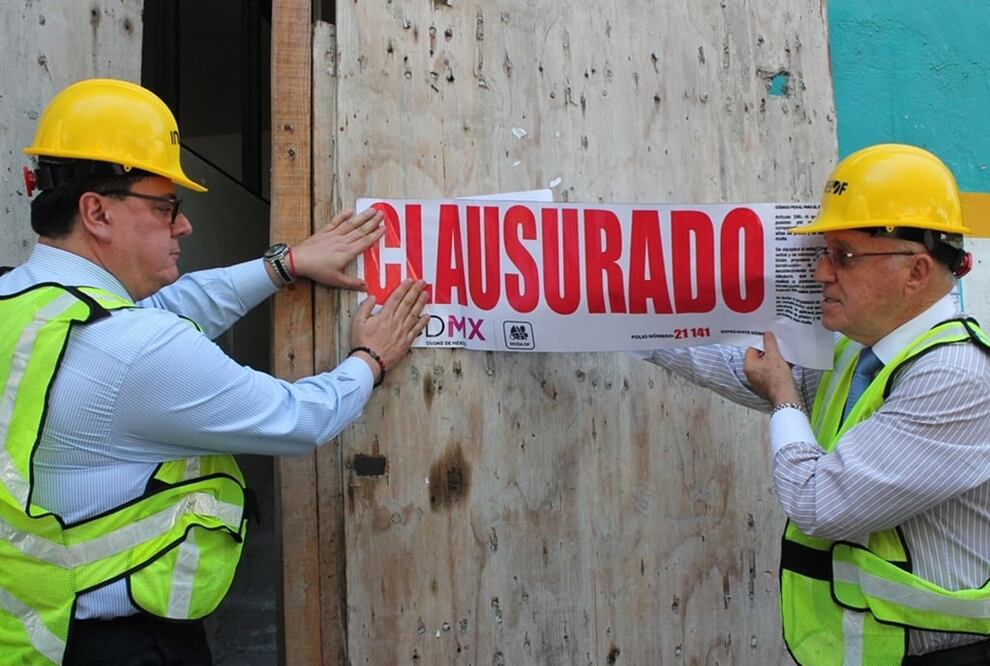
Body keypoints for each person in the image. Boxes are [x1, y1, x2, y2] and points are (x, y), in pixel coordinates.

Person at [0, 78, 428, 665]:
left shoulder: (22, 303)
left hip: (37, 633)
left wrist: (286, 264)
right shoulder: (136, 351)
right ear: (96, 211)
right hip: (124, 647)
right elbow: (297, 418)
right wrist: (370, 360)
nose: (183, 226)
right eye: (165, 207)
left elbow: (168, 307)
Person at [646, 144, 990, 665]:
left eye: (843, 256)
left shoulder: (954, 377)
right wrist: (620, 327)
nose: (821, 272)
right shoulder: (858, 350)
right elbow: (750, 369)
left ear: (916, 272)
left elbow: (819, 504)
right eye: (823, 253)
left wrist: (784, 399)